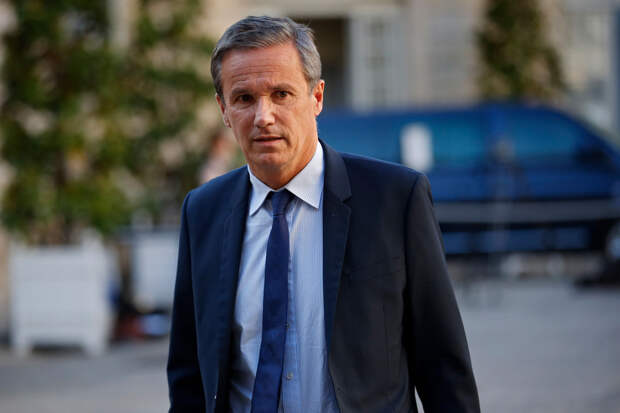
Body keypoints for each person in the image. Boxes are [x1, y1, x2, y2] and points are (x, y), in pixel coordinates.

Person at [167, 15, 480, 413]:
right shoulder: (203, 211)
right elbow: (190, 373)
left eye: (281, 94)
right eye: (244, 98)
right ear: (223, 109)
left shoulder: (394, 199)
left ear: (316, 97)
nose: (263, 116)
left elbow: (442, 366)